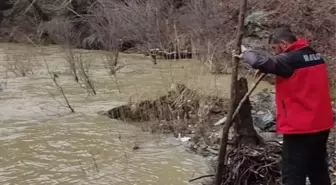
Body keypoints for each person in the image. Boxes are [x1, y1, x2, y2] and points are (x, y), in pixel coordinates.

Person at [239, 27, 334, 185]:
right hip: (322, 123)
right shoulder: (314, 55)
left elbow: (257, 61)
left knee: (292, 174)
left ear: (283, 44)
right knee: (317, 168)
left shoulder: (289, 60)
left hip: (300, 127)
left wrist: (245, 53)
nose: (276, 53)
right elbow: (297, 78)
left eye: (275, 49)